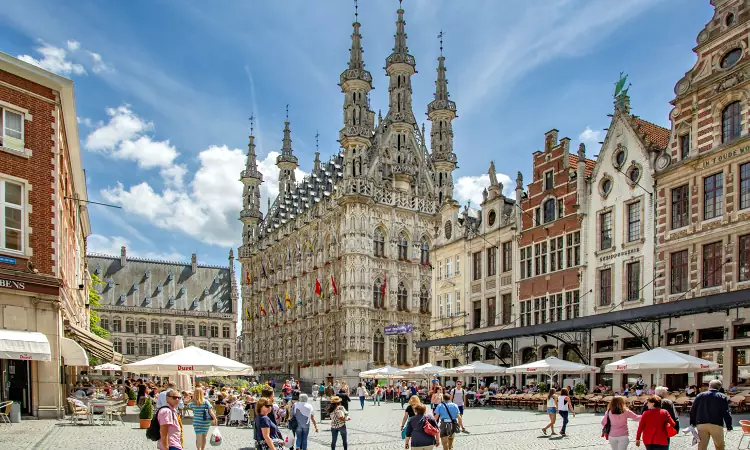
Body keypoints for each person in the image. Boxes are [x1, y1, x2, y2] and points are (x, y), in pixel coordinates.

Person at [690, 379, 733, 450]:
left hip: (701, 423)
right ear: (719, 388)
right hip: (716, 424)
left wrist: (692, 423)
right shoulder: (722, 396)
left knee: (702, 446)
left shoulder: (700, 395)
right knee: (719, 446)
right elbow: (726, 412)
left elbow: (693, 410)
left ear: (709, 386)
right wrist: (729, 425)